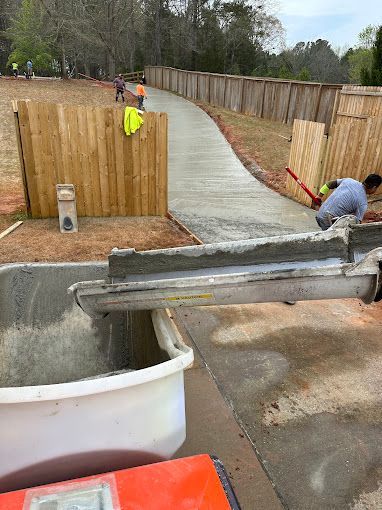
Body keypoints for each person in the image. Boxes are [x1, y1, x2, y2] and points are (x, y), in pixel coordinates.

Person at [315, 174, 382, 230]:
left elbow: (329, 184)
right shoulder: (362, 203)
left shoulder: (348, 181)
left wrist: (319, 196)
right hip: (328, 220)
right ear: (374, 187)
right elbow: (356, 225)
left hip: (320, 213)